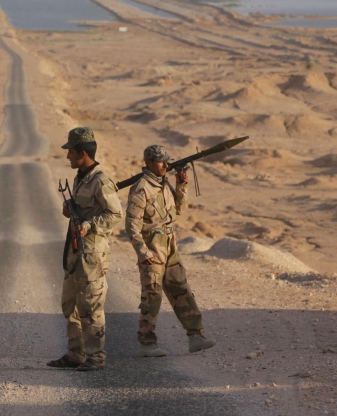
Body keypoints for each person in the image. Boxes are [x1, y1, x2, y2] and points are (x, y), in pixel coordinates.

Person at [125, 145, 216, 357]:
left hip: (170, 243)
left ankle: (196, 336)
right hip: (152, 246)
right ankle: (146, 343)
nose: (166, 165)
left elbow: (177, 211)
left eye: (167, 161)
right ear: (148, 163)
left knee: (180, 288)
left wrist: (181, 185)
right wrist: (143, 252)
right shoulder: (141, 188)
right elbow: (131, 225)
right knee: (152, 294)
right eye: (160, 161)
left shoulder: (164, 184)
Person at [47, 127, 122, 372]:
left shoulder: (101, 181)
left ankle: (96, 356)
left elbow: (114, 214)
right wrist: (70, 208)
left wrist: (89, 225)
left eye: (70, 151)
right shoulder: (81, 178)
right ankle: (76, 353)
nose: (67, 156)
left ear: (83, 153)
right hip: (75, 253)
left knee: (91, 306)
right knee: (69, 304)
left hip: (92, 254)